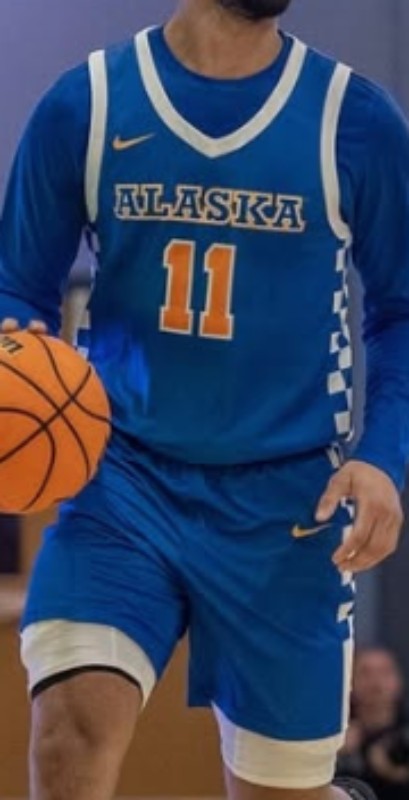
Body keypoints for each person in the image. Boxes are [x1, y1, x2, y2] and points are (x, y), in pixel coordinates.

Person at [0, 0, 408, 798]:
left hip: (287, 503)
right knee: (68, 741)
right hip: (124, 482)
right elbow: (20, 287)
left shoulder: (352, 118)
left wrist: (383, 459)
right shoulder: (88, 103)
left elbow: (399, 309)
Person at [337, 648, 409, 800]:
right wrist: (333, 753)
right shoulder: (336, 734)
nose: (376, 682)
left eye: (385, 672)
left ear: (399, 680)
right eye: (365, 673)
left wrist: (394, 772)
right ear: (349, 682)